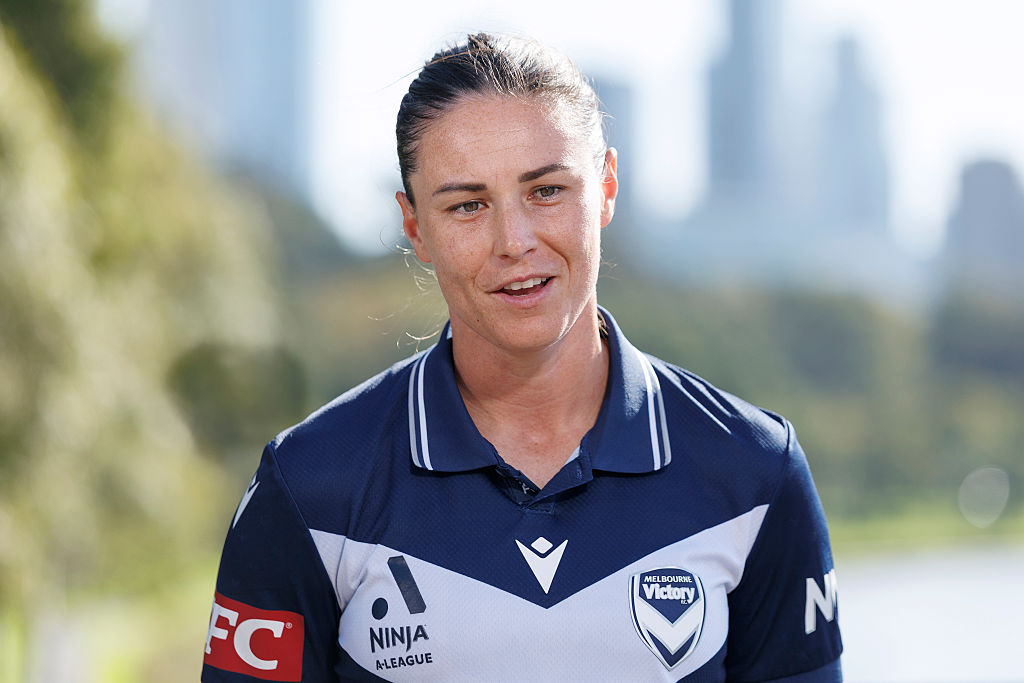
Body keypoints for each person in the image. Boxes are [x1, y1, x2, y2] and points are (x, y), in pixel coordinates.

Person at [202, 33, 843, 682]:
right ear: (416, 226)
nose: (514, 240)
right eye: (468, 205)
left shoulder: (756, 473)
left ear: (606, 186)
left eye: (546, 191)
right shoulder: (309, 485)